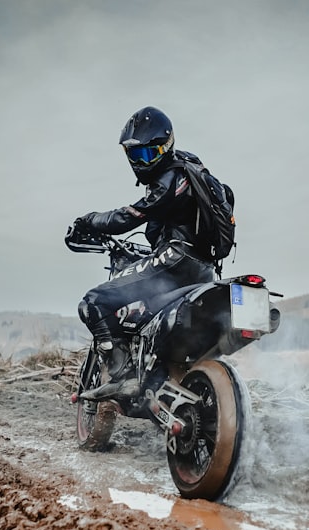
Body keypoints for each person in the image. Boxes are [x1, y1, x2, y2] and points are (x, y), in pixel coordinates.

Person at [72, 106, 221, 400]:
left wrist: (88, 220)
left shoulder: (169, 181)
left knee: (93, 303)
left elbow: (127, 218)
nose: (143, 162)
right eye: (137, 155)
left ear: (166, 146)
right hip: (205, 269)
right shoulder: (191, 171)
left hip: (176, 259)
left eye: (150, 154)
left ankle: (122, 376)